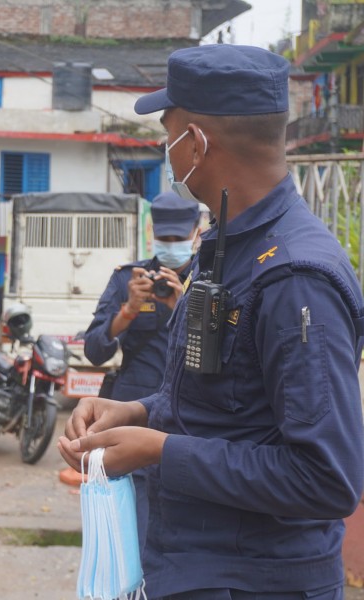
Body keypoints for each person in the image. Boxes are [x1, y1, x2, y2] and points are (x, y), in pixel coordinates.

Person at [59, 44, 364, 600]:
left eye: (167, 132)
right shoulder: (226, 249)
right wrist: (135, 410)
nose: (166, 150)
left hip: (258, 582)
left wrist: (158, 449)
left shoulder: (295, 276)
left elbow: (327, 479)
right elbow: (227, 404)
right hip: (193, 566)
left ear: (195, 143)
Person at [81, 190, 199, 551]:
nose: (173, 245)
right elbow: (94, 351)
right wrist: (128, 310)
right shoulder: (126, 279)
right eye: (166, 239)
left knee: (187, 510)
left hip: (191, 414)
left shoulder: (210, 278)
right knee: (132, 525)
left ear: (197, 232)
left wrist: (182, 305)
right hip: (132, 411)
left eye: (180, 239)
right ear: (153, 232)